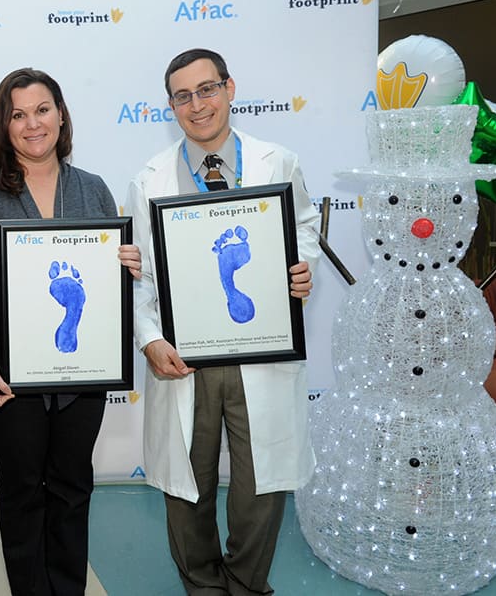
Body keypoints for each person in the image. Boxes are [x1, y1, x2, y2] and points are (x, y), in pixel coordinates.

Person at [125, 48, 319, 596]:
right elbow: (139, 274)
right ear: (171, 107)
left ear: (230, 89)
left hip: (262, 350)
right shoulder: (149, 181)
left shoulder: (277, 162)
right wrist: (150, 339)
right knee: (188, 487)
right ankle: (203, 587)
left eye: (207, 89)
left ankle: (246, 585)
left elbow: (304, 227)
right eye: (183, 96)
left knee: (259, 489)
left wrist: (301, 271)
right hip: (185, 360)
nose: (197, 104)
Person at [0, 68, 141, 596]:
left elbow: (112, 287)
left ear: (61, 115)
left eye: (42, 109)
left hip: (82, 376)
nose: (32, 123)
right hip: (8, 378)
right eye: (17, 114)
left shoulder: (93, 188)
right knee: (20, 491)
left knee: (72, 488)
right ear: (4, 124)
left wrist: (127, 264)